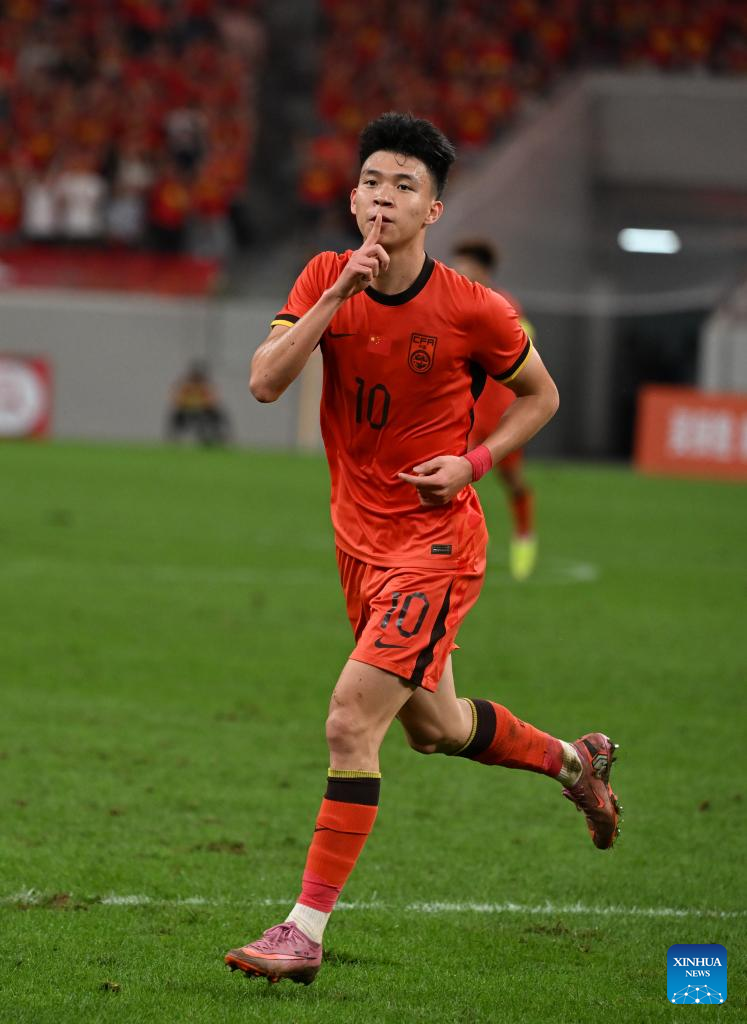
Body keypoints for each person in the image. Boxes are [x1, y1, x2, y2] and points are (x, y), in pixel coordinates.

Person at [225, 113, 621, 987]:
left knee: (348, 720)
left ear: (432, 210)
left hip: (436, 544)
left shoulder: (474, 308)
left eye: (403, 186)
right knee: (436, 729)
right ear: (352, 197)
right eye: (371, 182)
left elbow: (542, 396)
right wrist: (335, 297)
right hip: (358, 544)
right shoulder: (325, 276)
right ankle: (574, 762)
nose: (383, 198)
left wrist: (474, 463)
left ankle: (302, 930)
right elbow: (262, 382)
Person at [452, 239, 538, 581]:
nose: (457, 272)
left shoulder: (504, 307)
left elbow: (525, 353)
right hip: (464, 413)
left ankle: (524, 535)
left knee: (512, 481)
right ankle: (450, 549)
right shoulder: (453, 301)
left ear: (482, 270)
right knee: (451, 478)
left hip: (501, 414)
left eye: (463, 266)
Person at [166, 360, 230, 445]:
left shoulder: (205, 386)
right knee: (176, 417)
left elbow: (213, 400)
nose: (196, 379)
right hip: (186, 410)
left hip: (203, 411)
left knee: (215, 416)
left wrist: (202, 404)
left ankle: (217, 438)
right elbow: (176, 399)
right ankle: (173, 440)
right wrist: (187, 403)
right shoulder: (186, 386)